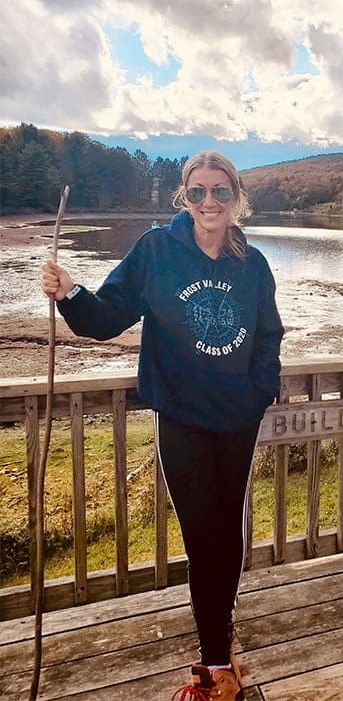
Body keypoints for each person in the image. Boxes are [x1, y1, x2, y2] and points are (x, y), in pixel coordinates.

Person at [41, 151, 284, 701]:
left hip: (237, 420)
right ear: (183, 196)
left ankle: (220, 649)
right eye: (198, 191)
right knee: (204, 538)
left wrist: (260, 389)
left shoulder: (254, 263)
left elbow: (269, 332)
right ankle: (216, 667)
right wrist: (71, 293)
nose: (209, 202)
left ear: (236, 197)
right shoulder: (156, 251)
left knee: (226, 534)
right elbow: (105, 317)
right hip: (182, 419)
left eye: (220, 192)